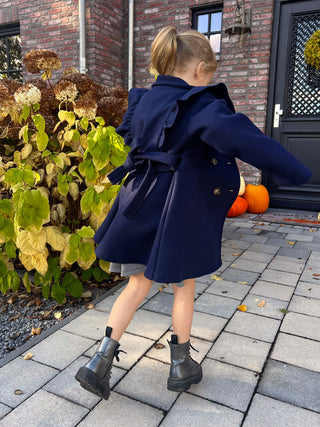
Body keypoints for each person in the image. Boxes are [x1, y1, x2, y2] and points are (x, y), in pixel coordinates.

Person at [75, 26, 312, 400]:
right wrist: (298, 172)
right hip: (174, 211)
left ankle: (98, 362)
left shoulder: (141, 100)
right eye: (211, 75)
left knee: (137, 285)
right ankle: (181, 366)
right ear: (200, 69)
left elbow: (131, 140)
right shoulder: (200, 104)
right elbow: (243, 137)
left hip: (137, 201)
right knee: (183, 284)